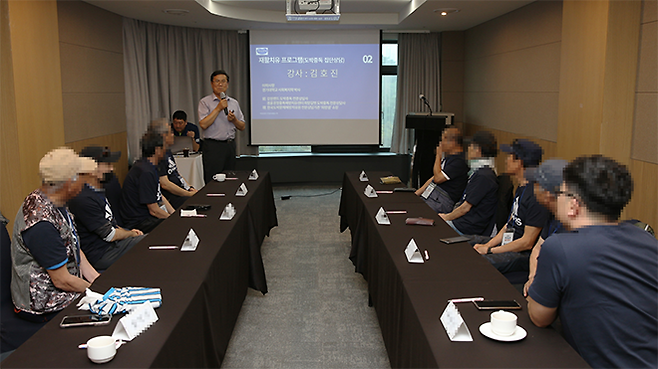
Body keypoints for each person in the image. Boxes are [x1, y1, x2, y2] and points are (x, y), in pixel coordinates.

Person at [527, 155, 658, 368]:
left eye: (560, 193)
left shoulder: (559, 247)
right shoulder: (646, 239)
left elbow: (539, 317)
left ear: (573, 205)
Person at [10, 147, 100, 322]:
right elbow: (61, 281)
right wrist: (96, 293)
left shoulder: (55, 200)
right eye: (81, 177)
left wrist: (97, 280)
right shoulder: (41, 223)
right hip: (45, 303)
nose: (85, 182)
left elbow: (72, 245)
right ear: (69, 183)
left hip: (67, 286)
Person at [472, 139, 549, 274]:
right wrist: (487, 245)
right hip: (508, 243)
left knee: (474, 264)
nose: (506, 160)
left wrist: (490, 251)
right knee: (467, 243)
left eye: (510, 157)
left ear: (519, 162)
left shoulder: (536, 195)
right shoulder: (521, 188)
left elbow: (527, 242)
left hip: (522, 255)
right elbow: (509, 224)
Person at [68, 146, 145, 270]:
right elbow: (109, 235)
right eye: (108, 165)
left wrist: (129, 232)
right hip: (101, 254)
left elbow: (110, 223)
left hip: (111, 247)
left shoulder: (97, 190)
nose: (112, 169)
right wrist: (130, 234)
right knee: (148, 244)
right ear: (91, 169)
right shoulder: (83, 198)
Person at [521, 159, 568, 296]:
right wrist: (532, 278)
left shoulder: (571, 225)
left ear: (547, 193)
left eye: (535, 184)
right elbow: (538, 248)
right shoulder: (552, 214)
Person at [440, 130, 499, 237]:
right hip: (465, 222)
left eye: (471, 146)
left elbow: (465, 207)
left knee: (434, 228)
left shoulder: (483, 176)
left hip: (467, 226)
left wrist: (446, 217)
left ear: (478, 150)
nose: (468, 149)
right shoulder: (481, 171)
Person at [120, 131, 175, 233]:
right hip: (139, 222)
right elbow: (154, 210)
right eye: (164, 146)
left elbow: (159, 195)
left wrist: (174, 214)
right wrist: (174, 220)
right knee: (176, 228)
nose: (166, 149)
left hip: (147, 217)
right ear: (157, 150)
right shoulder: (145, 171)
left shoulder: (147, 165)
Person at [198, 70, 246, 183]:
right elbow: (203, 124)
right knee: (212, 179)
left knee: (230, 178)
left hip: (230, 146)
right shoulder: (205, 102)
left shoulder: (234, 102)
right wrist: (218, 108)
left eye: (223, 81)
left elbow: (242, 126)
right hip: (213, 147)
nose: (220, 84)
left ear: (227, 84)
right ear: (211, 83)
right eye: (217, 81)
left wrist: (234, 120)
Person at [415, 127, 469, 214]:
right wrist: (417, 193)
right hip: (434, 193)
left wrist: (438, 156)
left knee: (417, 212)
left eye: (443, 139)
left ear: (452, 142)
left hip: (443, 200)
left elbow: (437, 179)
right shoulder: (450, 157)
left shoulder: (459, 161)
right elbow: (433, 178)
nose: (440, 143)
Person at [149, 119, 198, 209]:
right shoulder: (157, 155)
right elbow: (165, 184)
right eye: (170, 132)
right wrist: (188, 194)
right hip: (172, 196)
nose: (172, 135)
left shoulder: (167, 151)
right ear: (163, 136)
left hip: (181, 191)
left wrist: (189, 187)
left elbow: (177, 174)